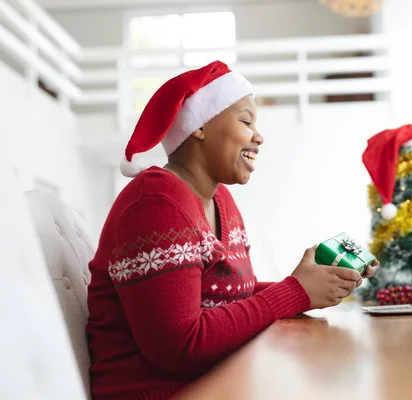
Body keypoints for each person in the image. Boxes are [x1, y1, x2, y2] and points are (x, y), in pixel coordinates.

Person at [85, 60, 377, 400]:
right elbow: (180, 346)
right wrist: (295, 292)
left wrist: (312, 287)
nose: (259, 136)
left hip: (220, 383)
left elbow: (228, 300)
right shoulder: (157, 203)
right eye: (245, 121)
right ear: (199, 126)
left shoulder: (219, 197)